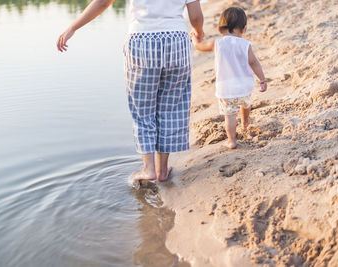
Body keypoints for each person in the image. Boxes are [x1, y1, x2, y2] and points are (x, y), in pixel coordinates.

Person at [57, 0, 204, 182]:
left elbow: (103, 2)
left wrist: (73, 27)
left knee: (143, 109)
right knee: (171, 108)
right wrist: (198, 31)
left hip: (142, 42)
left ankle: (149, 169)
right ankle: (162, 171)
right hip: (177, 41)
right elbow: (195, 15)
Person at [191, 7, 267, 149]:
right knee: (246, 104)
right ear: (244, 29)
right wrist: (262, 79)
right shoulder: (245, 45)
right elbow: (254, 63)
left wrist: (195, 39)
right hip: (244, 86)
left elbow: (199, 46)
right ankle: (245, 121)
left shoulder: (217, 43)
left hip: (226, 89)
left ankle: (232, 141)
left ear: (220, 29)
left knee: (230, 116)